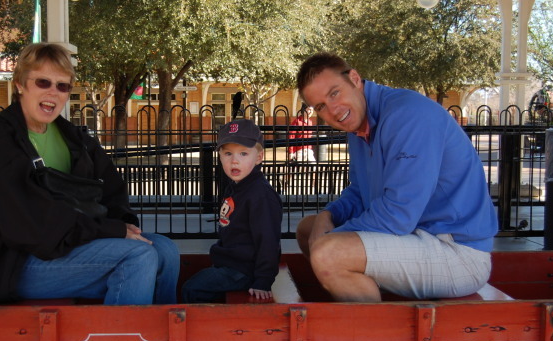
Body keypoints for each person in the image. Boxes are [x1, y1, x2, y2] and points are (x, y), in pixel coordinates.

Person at [0, 43, 179, 305]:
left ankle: (163, 328)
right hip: (10, 263)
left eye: (62, 86)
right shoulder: (0, 139)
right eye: (43, 82)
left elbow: (111, 189)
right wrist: (109, 230)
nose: (53, 92)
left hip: (67, 245)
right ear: (20, 84)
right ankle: (123, 331)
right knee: (137, 256)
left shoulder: (73, 138)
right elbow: (29, 222)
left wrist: (123, 224)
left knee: (164, 250)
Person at [295, 52, 498, 302]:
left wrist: (331, 239)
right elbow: (359, 192)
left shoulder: (408, 115)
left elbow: (398, 215)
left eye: (334, 93)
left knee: (328, 253)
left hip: (456, 252)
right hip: (413, 238)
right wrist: (327, 216)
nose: (333, 110)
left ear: (355, 79)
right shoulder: (358, 124)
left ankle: (376, 326)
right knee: (308, 230)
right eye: (321, 107)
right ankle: (359, 300)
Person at [181, 119, 283, 302]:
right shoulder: (236, 186)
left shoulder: (260, 195)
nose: (234, 160)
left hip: (244, 270)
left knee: (192, 289)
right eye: (228, 153)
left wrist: (263, 280)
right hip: (229, 263)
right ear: (220, 157)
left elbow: (268, 240)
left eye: (243, 153)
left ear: (259, 157)